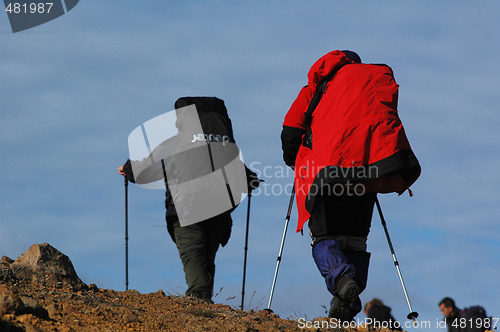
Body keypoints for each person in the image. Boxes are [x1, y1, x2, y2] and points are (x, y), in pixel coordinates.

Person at [281, 50, 420, 320]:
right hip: (368, 172)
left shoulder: (318, 86)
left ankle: (342, 281)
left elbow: (291, 129)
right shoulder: (372, 82)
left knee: (323, 236)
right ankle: (345, 306)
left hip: (327, 171)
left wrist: (293, 159)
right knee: (355, 239)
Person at [119, 96, 260, 303]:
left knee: (196, 267)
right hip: (219, 215)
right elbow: (248, 179)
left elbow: (146, 169)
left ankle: (198, 308)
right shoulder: (225, 145)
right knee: (206, 265)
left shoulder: (176, 143)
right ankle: (205, 309)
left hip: (186, 212)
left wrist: (128, 169)